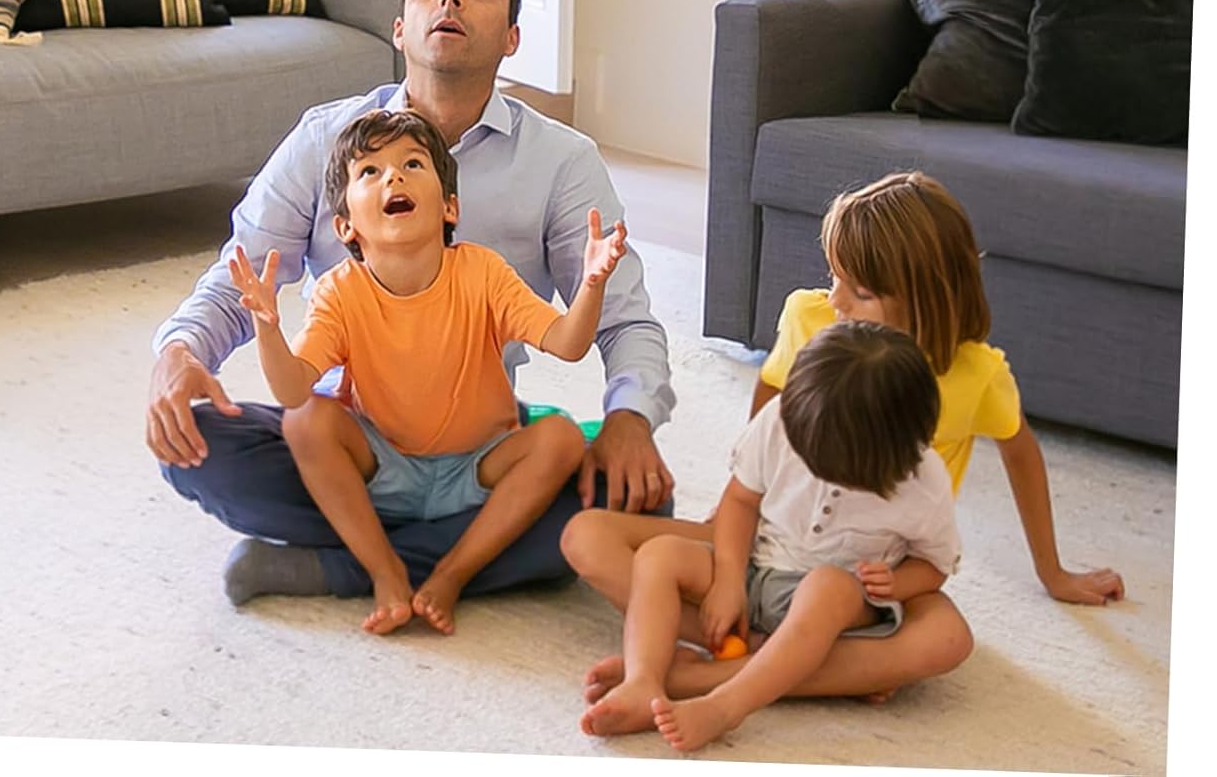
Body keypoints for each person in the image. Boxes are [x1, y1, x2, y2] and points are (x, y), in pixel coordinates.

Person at [146, 0, 676, 607]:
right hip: (351, 441)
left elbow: (624, 319)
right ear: (400, 29)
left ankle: (340, 566)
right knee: (192, 441)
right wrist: (180, 350)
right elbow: (241, 278)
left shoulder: (563, 161)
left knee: (639, 497)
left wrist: (630, 418)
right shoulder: (323, 138)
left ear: (511, 37)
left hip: (480, 448)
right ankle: (475, 552)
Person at [569, 168, 1123, 715]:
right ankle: (811, 663)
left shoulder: (975, 374)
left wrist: (1053, 573)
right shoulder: (812, 317)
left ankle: (708, 675)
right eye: (834, 276)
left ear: (926, 297)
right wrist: (734, 521)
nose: (836, 301)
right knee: (587, 537)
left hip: (867, 577)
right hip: (769, 538)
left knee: (948, 638)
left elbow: (1020, 454)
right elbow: (770, 401)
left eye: (859, 291)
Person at [229, 107, 627, 636]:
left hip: (480, 466)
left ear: (449, 206)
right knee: (301, 422)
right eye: (370, 171)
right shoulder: (338, 291)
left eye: (412, 164)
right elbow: (293, 389)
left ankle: (451, 574)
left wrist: (592, 285)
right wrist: (267, 327)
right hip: (382, 467)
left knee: (562, 439)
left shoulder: (484, 272)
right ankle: (383, 569)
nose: (393, 177)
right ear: (345, 225)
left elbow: (568, 344)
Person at [570, 322, 960, 752]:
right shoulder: (784, 417)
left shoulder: (925, 482)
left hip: (837, 601)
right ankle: (645, 678)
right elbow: (740, 502)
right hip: (755, 563)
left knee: (942, 636)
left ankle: (718, 697)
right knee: (654, 553)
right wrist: (728, 580)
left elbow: (935, 565)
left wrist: (897, 584)